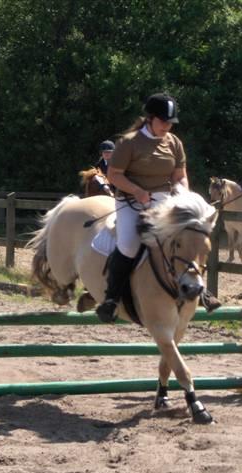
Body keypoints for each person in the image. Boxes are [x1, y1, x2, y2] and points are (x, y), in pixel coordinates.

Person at [96, 92, 219, 323]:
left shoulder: (174, 143)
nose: (167, 127)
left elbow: (180, 176)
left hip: (164, 202)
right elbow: (114, 175)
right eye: (163, 121)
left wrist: (181, 195)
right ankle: (111, 299)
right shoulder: (129, 143)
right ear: (150, 118)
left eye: (170, 123)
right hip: (131, 201)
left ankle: (200, 289)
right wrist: (137, 191)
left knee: (189, 237)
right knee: (130, 245)